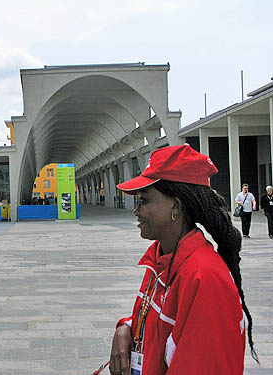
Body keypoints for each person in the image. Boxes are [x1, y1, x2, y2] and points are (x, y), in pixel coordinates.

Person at [108, 145, 257, 375]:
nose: (136, 211)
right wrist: (125, 328)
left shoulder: (204, 278)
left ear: (175, 206)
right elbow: (156, 324)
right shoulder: (161, 261)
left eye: (144, 200)